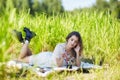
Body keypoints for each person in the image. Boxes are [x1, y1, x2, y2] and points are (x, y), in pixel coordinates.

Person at [13, 27, 83, 68]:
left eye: (76, 41)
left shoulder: (74, 52)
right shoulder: (60, 47)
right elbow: (58, 65)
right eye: (72, 40)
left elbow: (78, 65)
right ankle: (27, 38)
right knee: (21, 59)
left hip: (49, 57)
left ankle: (22, 41)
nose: (73, 43)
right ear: (68, 39)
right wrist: (62, 56)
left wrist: (77, 52)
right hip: (44, 59)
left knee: (29, 56)